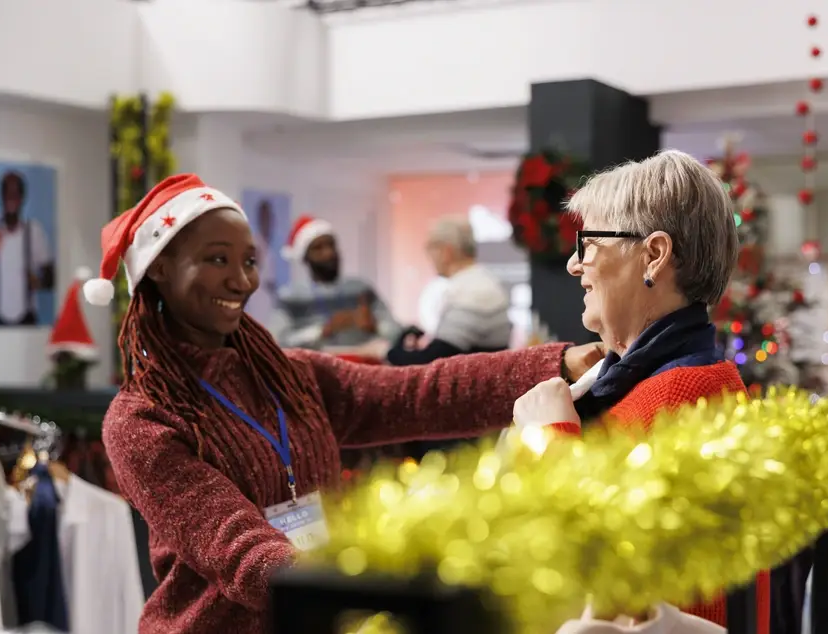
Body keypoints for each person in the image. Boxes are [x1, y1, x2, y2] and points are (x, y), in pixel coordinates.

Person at [79, 174, 600, 634]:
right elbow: (236, 547)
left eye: (249, 261)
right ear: (161, 270)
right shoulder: (141, 419)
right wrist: (353, 589)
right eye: (217, 260)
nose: (242, 280)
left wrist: (558, 364)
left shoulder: (290, 374)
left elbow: (422, 392)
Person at [512, 150, 769, 633]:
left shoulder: (686, 395)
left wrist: (547, 440)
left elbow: (595, 571)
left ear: (654, 254)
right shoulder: (653, 384)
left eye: (588, 243)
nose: (573, 264)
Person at [387, 215, 511, 366]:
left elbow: (435, 360)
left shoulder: (473, 291)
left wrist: (390, 352)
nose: (428, 255)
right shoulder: (479, 283)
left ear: (446, 251)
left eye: (430, 247)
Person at [271, 215, 400, 352]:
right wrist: (322, 331)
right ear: (305, 257)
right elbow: (276, 342)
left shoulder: (360, 289)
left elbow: (398, 332)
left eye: (331, 245)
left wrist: (375, 326)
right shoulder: (291, 297)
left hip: (365, 365)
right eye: (318, 248)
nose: (328, 253)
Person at [0, 171, 54, 325]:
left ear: (23, 197)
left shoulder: (34, 231)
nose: (11, 197)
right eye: (7, 192)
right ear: (0, 196)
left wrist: (38, 282)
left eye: (16, 192)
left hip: (27, 318)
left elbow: (51, 278)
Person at [243, 200, 277, 324]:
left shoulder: (268, 244)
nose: (268, 222)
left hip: (268, 298)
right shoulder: (257, 244)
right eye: (265, 218)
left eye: (269, 218)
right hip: (259, 298)